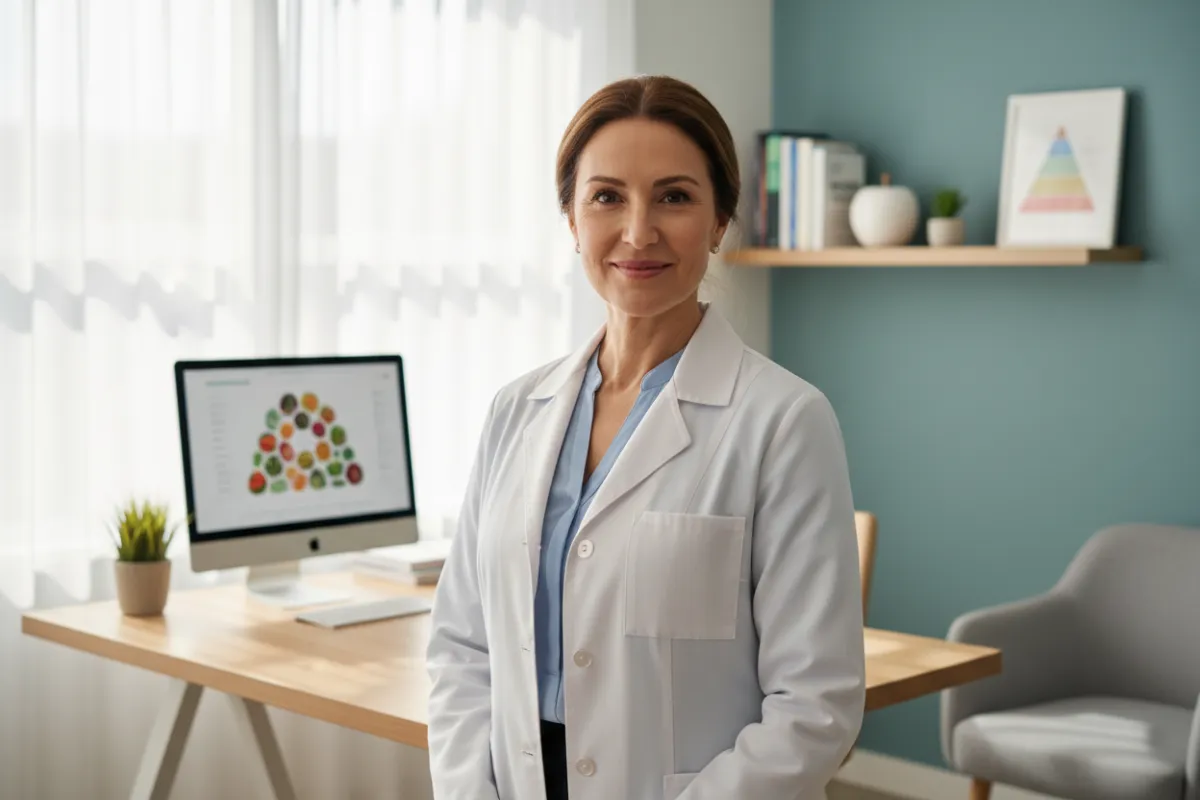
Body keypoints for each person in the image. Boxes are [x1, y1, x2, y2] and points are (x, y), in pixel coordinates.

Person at [426, 74, 865, 800]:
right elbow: (462, 646)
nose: (638, 231)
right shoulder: (516, 411)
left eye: (674, 197)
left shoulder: (785, 421)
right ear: (572, 219)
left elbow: (816, 708)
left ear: (720, 221)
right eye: (606, 197)